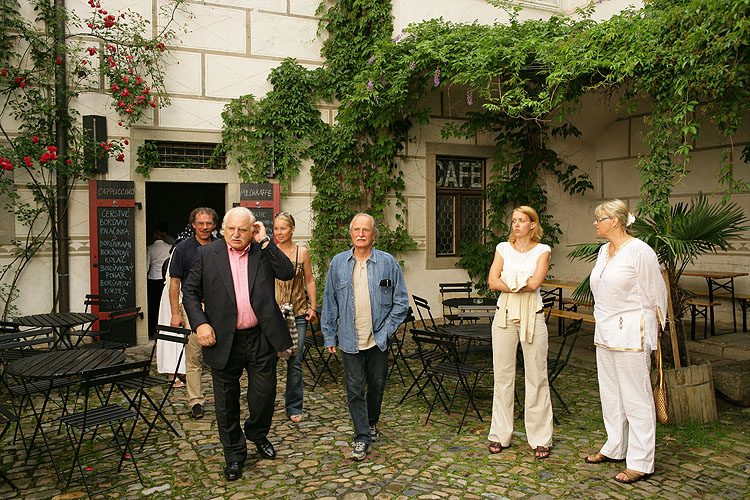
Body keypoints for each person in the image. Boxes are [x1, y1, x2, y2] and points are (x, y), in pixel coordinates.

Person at [182, 207, 294, 482]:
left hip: (260, 336)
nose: (235, 234)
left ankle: (256, 433)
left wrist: (266, 241)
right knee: (225, 402)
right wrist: (200, 324)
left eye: (242, 230)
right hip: (224, 338)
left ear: (252, 230)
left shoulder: (262, 251)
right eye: (231, 229)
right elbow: (190, 292)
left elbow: (287, 272)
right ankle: (234, 454)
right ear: (223, 229)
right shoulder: (208, 254)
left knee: (264, 395)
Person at [585, 199, 666, 484]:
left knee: (636, 396)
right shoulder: (602, 252)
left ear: (615, 221)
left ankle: (641, 461)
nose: (595, 223)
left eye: (599, 218)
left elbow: (656, 293)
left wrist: (655, 329)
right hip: (605, 330)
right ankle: (615, 446)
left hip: (633, 331)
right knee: (610, 392)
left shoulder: (640, 251)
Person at [321, 213, 408, 461]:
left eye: (366, 230)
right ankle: (361, 437)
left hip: (377, 339)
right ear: (351, 234)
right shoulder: (338, 263)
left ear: (373, 235)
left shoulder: (387, 262)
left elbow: (400, 302)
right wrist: (329, 337)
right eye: (356, 229)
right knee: (355, 389)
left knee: (377, 386)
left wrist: (386, 331)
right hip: (349, 339)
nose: (361, 234)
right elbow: (330, 302)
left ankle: (370, 422)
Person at [486, 206, 554, 460]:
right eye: (513, 220)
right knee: (503, 376)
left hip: (533, 315)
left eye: (522, 221)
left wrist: (510, 282)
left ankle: (540, 437)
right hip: (504, 314)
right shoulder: (503, 248)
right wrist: (520, 282)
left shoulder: (542, 250)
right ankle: (499, 434)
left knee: (537, 376)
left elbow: (536, 283)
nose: (516, 225)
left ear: (532, 224)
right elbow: (492, 281)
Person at [169, 207, 219, 419]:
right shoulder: (182, 249)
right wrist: (175, 313)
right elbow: (174, 283)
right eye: (200, 223)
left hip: (218, 307)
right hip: (192, 308)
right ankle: (195, 401)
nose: (205, 227)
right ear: (193, 224)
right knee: (194, 357)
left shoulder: (221, 246)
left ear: (214, 225)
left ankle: (223, 398)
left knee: (222, 354)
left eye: (208, 223)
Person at [273, 212, 317, 423]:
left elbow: (309, 280)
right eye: (275, 228)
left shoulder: (302, 253)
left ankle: (293, 406)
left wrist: (313, 306)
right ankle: (266, 404)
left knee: (295, 360)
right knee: (268, 361)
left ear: (292, 229)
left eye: (282, 228)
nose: (278, 232)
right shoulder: (268, 251)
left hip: (297, 312)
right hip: (272, 315)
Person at [147, 225, 171, 337]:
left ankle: (153, 328)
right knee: (165, 305)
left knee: (154, 305)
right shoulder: (169, 247)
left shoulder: (150, 248)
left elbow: (147, 266)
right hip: (165, 279)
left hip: (153, 278)